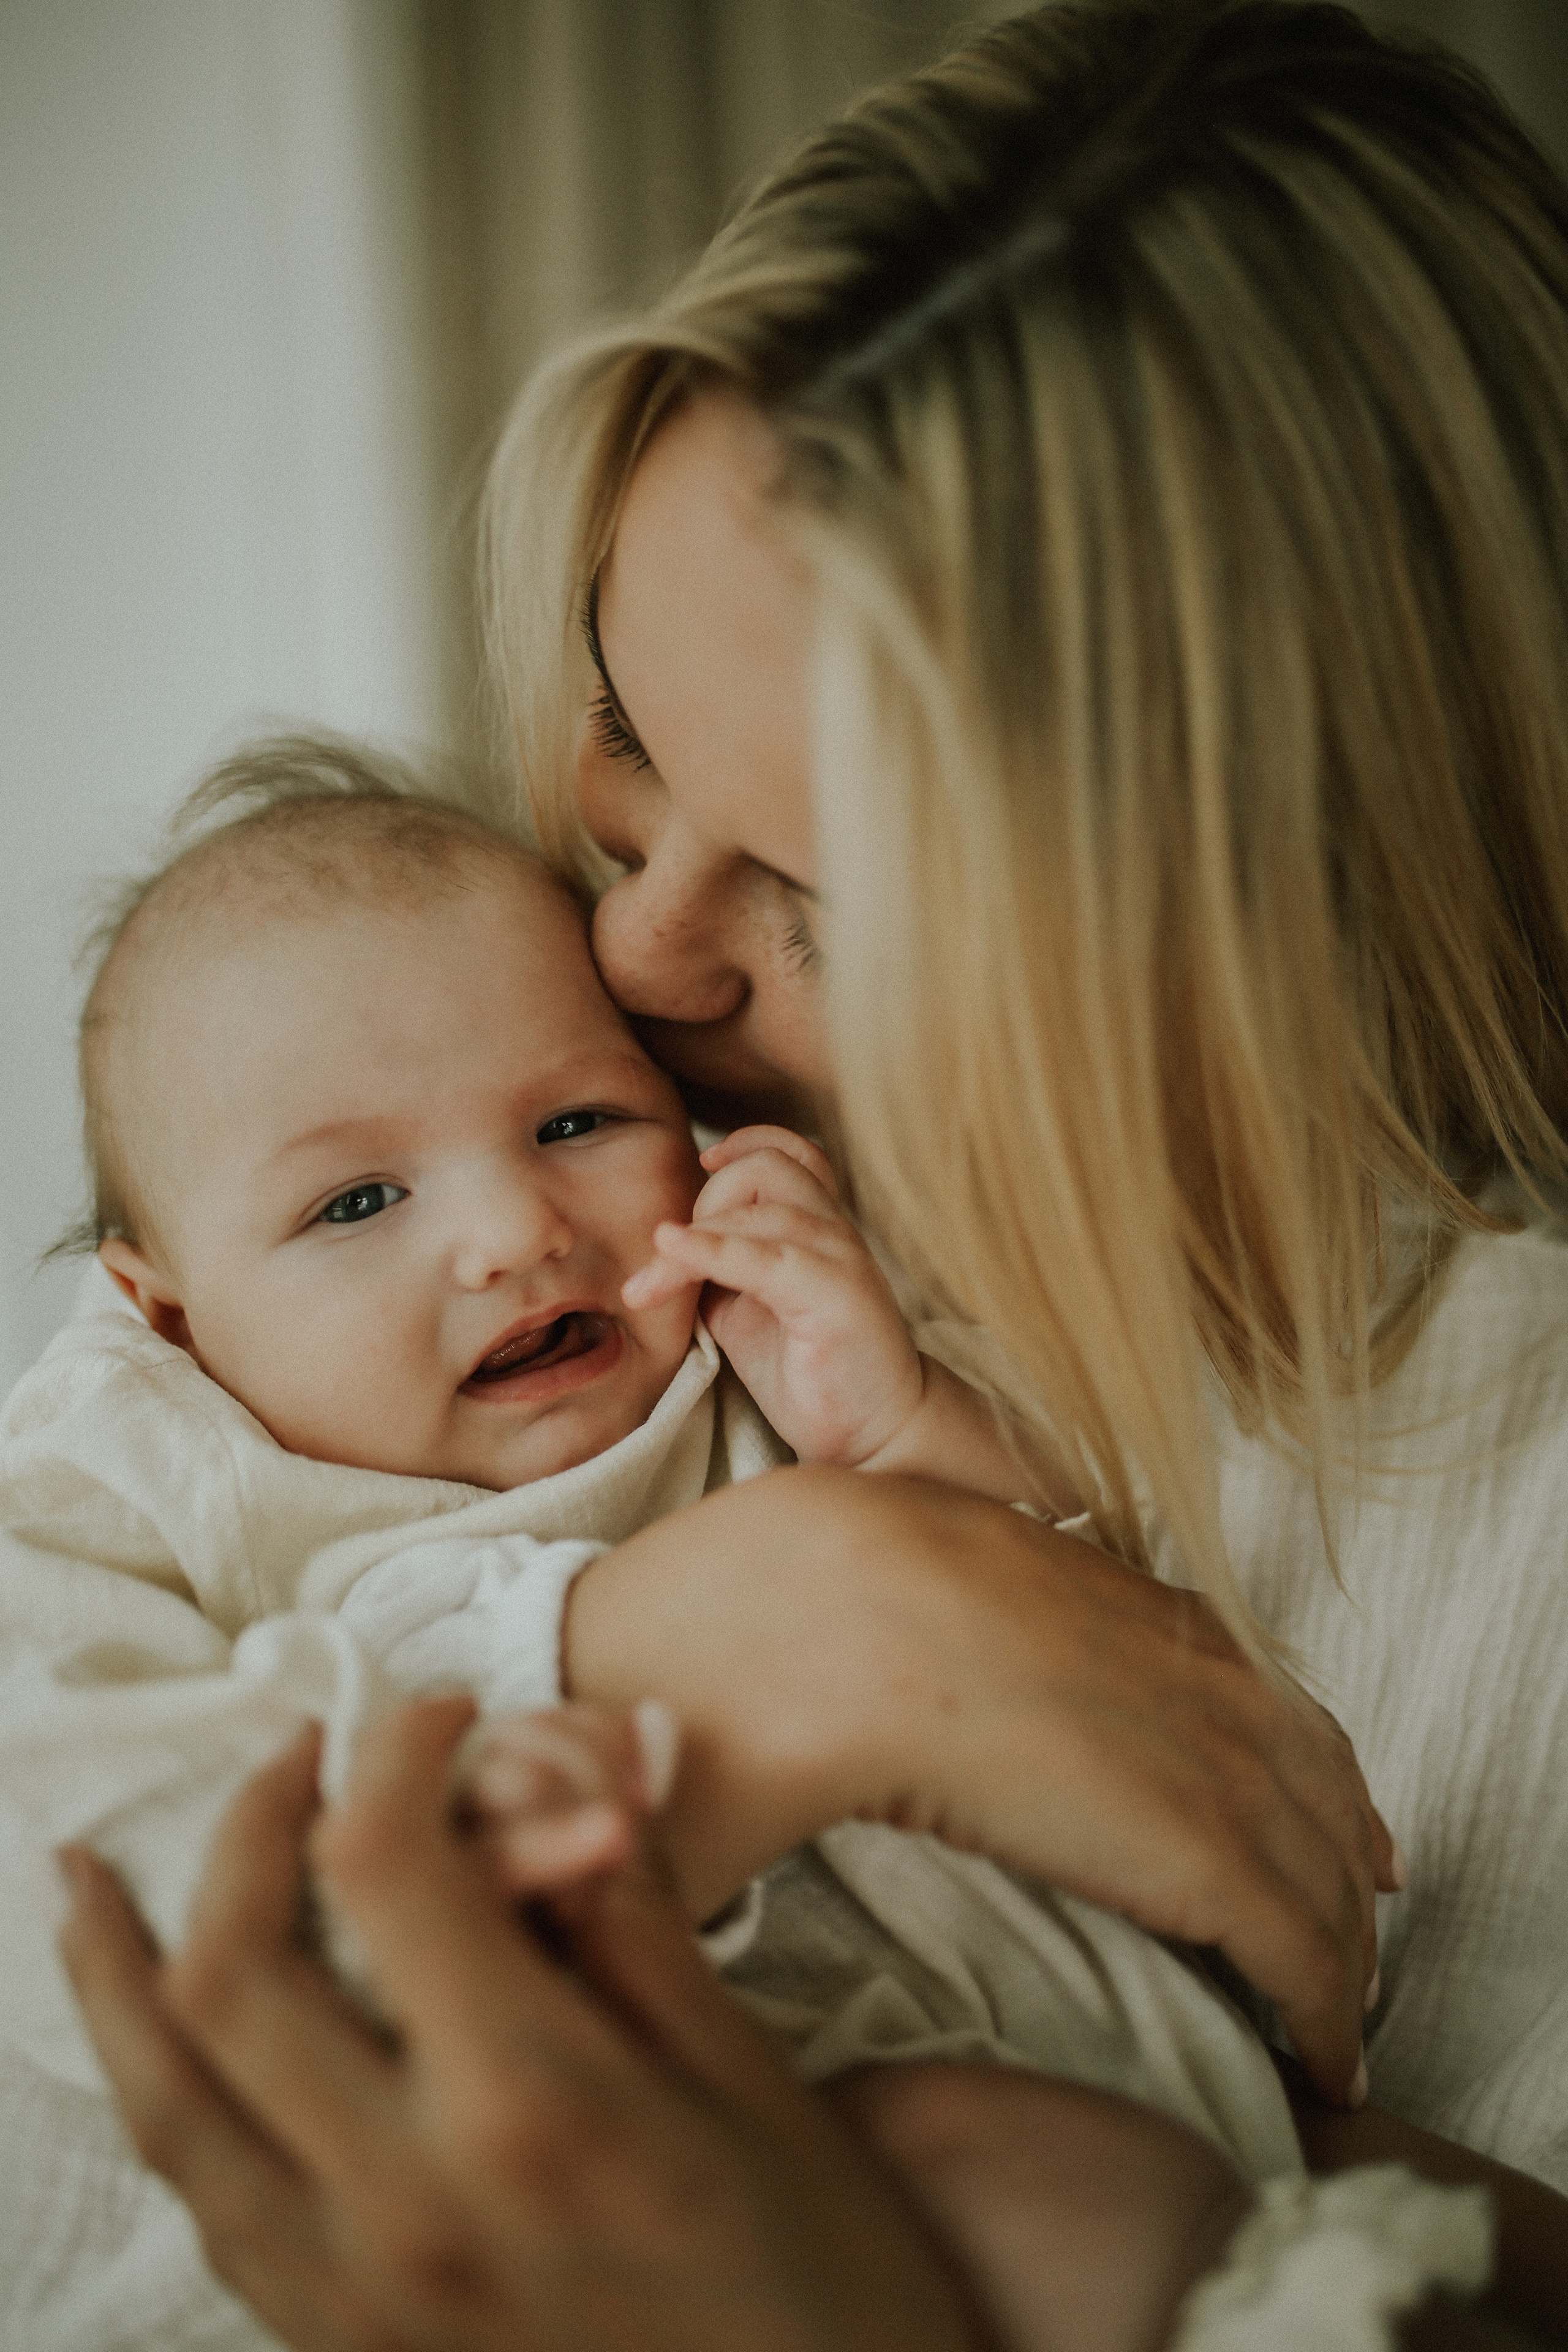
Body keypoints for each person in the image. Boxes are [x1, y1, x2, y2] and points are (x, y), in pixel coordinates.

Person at [51, 1, 1568, 2346]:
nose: (630, 952)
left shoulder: (1511, 1509)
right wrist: (741, 1645)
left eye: (828, 908)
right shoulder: (335, 1201)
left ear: (1283, 933)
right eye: (626, 743)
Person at [4, 737, 1322, 2350]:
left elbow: (1075, 1600)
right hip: (744, 2147)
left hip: (1183, 2053)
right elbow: (70, 1772)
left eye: (575, 1120)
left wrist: (899, 1428)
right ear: (166, 1309)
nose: (514, 1232)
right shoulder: (161, 1467)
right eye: (356, 1205)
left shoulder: (737, 1335)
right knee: (1030, 2184)